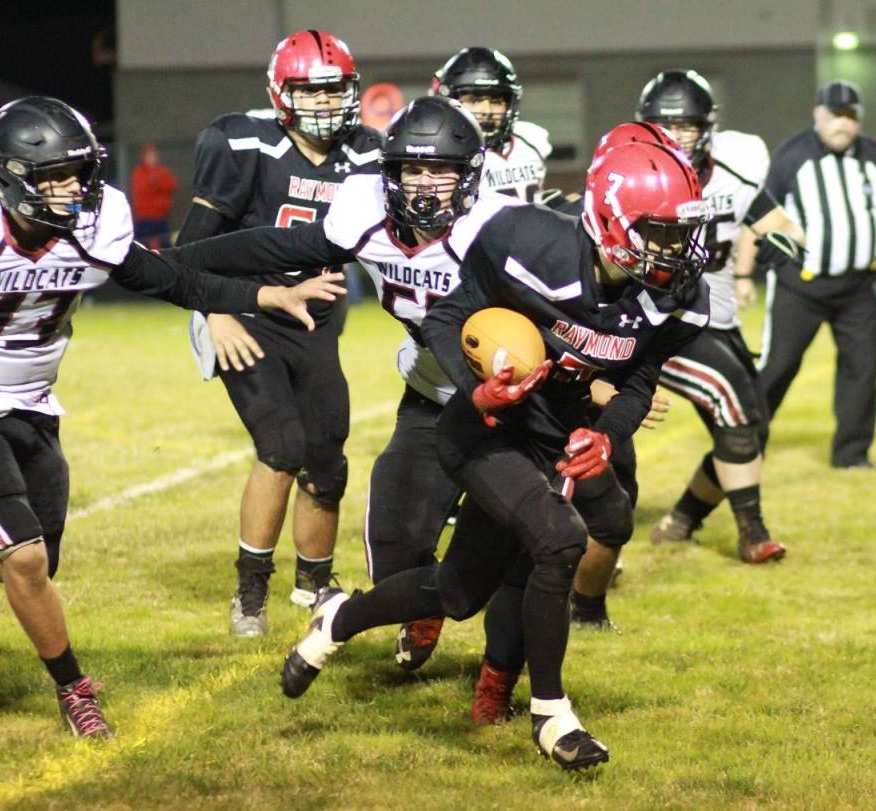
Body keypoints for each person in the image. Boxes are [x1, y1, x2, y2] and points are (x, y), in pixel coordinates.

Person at [275, 139, 712, 771]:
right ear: (610, 221)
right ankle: (551, 715)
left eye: (682, 234)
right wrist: (476, 388)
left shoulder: (676, 299)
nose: (677, 250)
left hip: (551, 436)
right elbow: (444, 319)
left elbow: (639, 382)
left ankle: (338, 621)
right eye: (661, 233)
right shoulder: (529, 244)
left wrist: (608, 435)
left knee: (457, 591)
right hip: (483, 426)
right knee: (560, 538)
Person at [0, 97, 344, 738]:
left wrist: (266, 293)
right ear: (13, 176)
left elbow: (173, 279)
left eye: (79, 172)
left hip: (34, 403)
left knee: (41, 560)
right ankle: (74, 689)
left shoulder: (90, 225)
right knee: (25, 559)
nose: (74, 188)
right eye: (56, 176)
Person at [175, 30, 382, 637]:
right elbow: (191, 251)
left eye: (335, 89)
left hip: (315, 322)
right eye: (309, 91)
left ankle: (314, 586)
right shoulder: (244, 143)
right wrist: (215, 314)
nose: (325, 103)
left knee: (328, 459)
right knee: (282, 447)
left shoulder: (367, 154)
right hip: (245, 313)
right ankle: (250, 594)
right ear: (280, 94)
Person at [635, 69, 805, 562]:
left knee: (751, 430)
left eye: (686, 126)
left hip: (719, 321)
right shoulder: (635, 179)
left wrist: (781, 242)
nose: (676, 137)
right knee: (735, 406)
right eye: (665, 126)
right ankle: (753, 532)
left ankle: (682, 520)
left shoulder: (734, 171)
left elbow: (785, 225)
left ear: (707, 127)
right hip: (660, 323)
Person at [758, 80, 876, 469]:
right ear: (818, 115)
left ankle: (852, 454)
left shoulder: (874, 156)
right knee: (779, 365)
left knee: (862, 371)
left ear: (860, 118)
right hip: (801, 284)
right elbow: (760, 213)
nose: (842, 123)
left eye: (850, 115)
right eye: (834, 114)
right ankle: (745, 441)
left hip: (859, 286)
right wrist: (744, 275)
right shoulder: (791, 155)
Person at [431, 47, 551, 202]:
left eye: (496, 101)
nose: (486, 111)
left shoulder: (530, 139)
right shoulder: (443, 156)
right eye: (474, 100)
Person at [129, 142, 178, 249]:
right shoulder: (139, 173)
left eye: (153, 155)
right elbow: (140, 190)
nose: (151, 158)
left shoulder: (163, 172)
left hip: (161, 216)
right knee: (142, 246)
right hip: (144, 218)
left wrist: (156, 184)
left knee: (165, 245)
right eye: (149, 155)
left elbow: (171, 185)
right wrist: (154, 185)